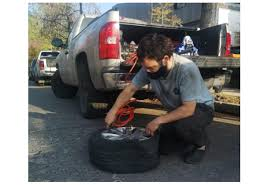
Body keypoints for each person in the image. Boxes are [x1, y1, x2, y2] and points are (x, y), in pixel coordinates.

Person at [105, 33, 214, 164]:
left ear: (166, 59)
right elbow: (130, 89)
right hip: (178, 109)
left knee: (184, 126)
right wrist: (113, 110)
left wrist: (158, 120)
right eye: (146, 68)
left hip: (200, 108)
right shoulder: (148, 68)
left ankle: (201, 144)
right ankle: (184, 138)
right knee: (163, 148)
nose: (148, 72)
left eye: (151, 68)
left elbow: (188, 110)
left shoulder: (186, 69)